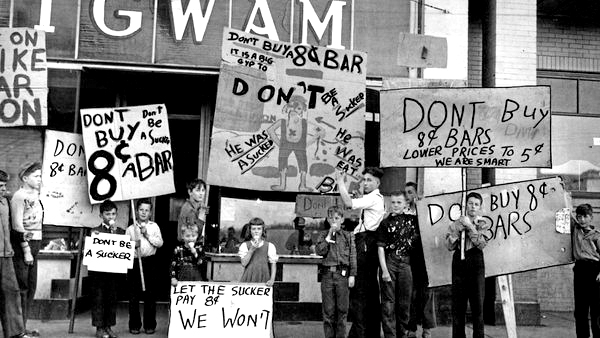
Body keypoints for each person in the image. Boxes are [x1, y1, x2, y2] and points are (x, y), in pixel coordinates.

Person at [336, 167, 385, 338]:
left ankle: (360, 333)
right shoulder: (373, 198)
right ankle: (366, 333)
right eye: (364, 179)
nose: (365, 183)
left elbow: (348, 203)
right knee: (368, 291)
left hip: (365, 244)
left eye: (369, 180)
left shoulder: (374, 198)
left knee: (359, 291)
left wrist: (340, 183)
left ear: (377, 183)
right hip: (367, 244)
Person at [446, 192, 490, 338]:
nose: (473, 206)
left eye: (476, 204)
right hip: (459, 262)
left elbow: (481, 244)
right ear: (466, 205)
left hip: (475, 262)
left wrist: (470, 226)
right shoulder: (456, 223)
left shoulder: (483, 223)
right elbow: (449, 246)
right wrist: (458, 230)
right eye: (470, 203)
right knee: (458, 306)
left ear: (480, 207)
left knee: (477, 305)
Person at [377, 191, 418, 338]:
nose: (395, 205)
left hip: (406, 263)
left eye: (399, 202)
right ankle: (390, 335)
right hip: (390, 261)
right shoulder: (385, 223)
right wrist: (384, 270)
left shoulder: (412, 221)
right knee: (388, 303)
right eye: (393, 202)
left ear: (406, 204)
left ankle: (403, 334)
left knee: (404, 303)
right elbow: (380, 248)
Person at [266, 95, 326, 192]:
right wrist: (279, 143)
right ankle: (282, 185)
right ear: (291, 108)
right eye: (298, 108)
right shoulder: (283, 121)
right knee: (282, 163)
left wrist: (316, 136)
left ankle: (302, 186)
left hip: (300, 146)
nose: (300, 111)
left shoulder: (304, 122)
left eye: (301, 109)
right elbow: (270, 130)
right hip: (286, 145)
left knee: (303, 165)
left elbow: (319, 130)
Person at [10, 162, 43, 337]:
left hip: (35, 243)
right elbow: (17, 224)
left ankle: (24, 326)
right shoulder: (19, 196)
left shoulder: (36, 195)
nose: (40, 179)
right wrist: (26, 249)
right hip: (24, 245)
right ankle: (18, 330)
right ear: (25, 178)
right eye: (36, 176)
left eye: (40, 175)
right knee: (22, 287)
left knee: (31, 286)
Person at [316, 206, 356, 338]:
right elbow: (320, 251)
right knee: (328, 311)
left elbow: (352, 257)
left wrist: (352, 275)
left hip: (342, 276)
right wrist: (329, 235)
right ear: (327, 220)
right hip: (327, 275)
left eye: (337, 218)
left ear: (342, 219)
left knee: (342, 310)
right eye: (331, 218)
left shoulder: (348, 236)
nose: (334, 221)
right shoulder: (323, 235)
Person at [126, 199, 163, 335]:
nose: (143, 212)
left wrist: (147, 235)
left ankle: (149, 325)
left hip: (150, 262)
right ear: (137, 211)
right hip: (135, 263)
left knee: (150, 295)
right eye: (141, 210)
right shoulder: (130, 229)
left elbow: (159, 243)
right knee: (133, 296)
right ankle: (134, 325)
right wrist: (132, 246)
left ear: (150, 212)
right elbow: (125, 249)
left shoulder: (154, 226)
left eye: (146, 210)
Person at [89, 200, 125, 338]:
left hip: (113, 273)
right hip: (98, 273)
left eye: (113, 214)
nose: (111, 217)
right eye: (107, 214)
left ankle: (109, 326)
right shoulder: (95, 232)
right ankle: (99, 327)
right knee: (98, 299)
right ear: (101, 215)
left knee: (111, 298)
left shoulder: (120, 232)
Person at [0, 170, 30, 338]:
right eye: (0, 186)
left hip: (6, 255)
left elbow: (11, 229)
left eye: (4, 185)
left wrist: (21, 236)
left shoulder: (6, 202)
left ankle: (14, 333)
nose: (3, 189)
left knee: (11, 292)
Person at [405, 182, 435, 338]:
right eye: (406, 193)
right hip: (410, 257)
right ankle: (411, 328)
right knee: (411, 293)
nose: (407, 196)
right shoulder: (404, 212)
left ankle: (427, 328)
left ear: (416, 193)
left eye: (410, 192)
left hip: (425, 258)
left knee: (426, 294)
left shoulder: (425, 209)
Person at [572, 203, 600, 338]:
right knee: (580, 310)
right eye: (579, 217)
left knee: (597, 310)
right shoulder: (575, 229)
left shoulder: (597, 235)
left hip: (595, 271)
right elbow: (565, 213)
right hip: (580, 270)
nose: (582, 220)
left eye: (585, 216)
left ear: (591, 217)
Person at [238, 218, 278, 286]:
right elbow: (244, 263)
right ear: (250, 231)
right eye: (253, 229)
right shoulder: (245, 245)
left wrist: (272, 279)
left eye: (259, 229)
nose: (256, 231)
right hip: (249, 277)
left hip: (264, 276)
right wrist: (251, 249)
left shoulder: (269, 246)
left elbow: (273, 264)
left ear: (263, 231)